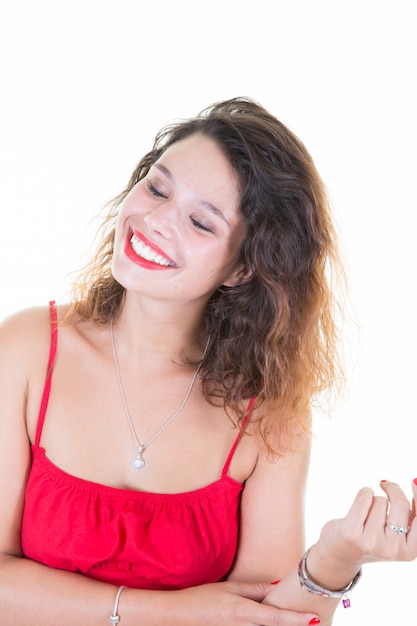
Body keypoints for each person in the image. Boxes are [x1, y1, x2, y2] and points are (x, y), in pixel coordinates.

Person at [0, 97, 416, 626]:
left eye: (200, 221)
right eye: (156, 186)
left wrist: (335, 557)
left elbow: (265, 621)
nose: (152, 220)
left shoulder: (267, 414)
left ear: (243, 268)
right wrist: (167, 612)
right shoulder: (27, 349)